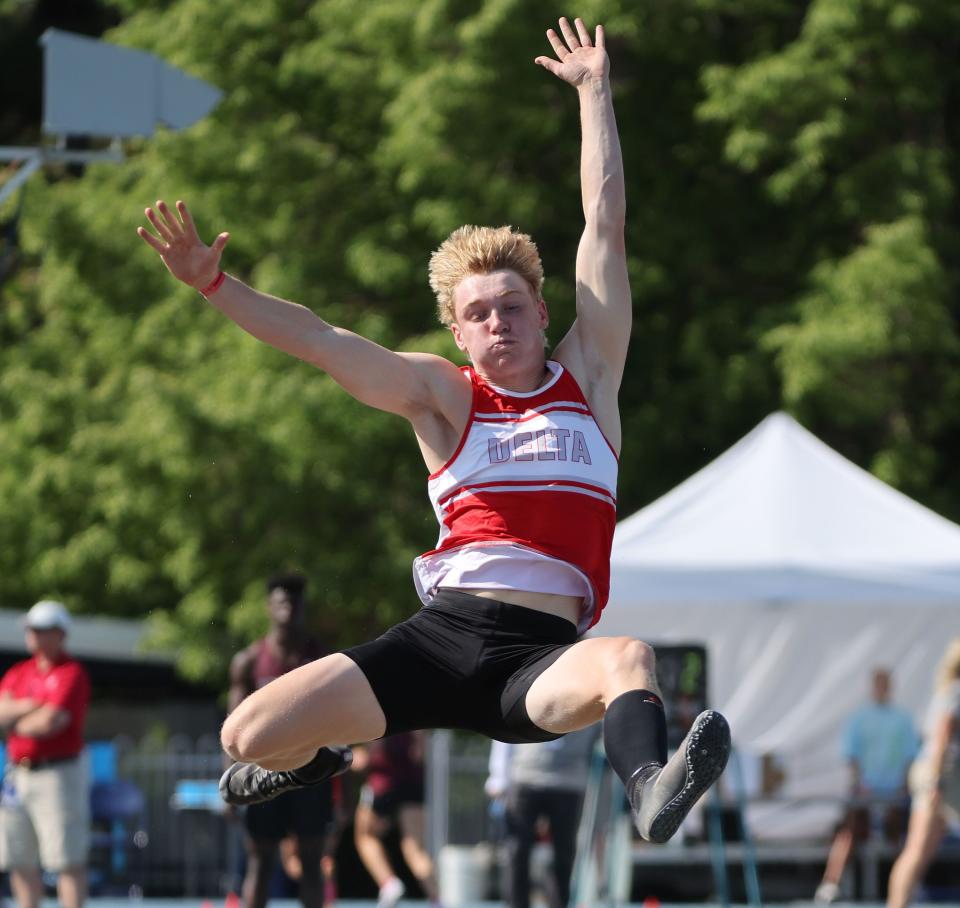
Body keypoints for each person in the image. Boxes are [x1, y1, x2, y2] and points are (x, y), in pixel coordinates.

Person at [137, 15, 731, 846]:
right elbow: (319, 341)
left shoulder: (590, 378)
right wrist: (217, 287)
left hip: (542, 658)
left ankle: (651, 791)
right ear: (458, 333)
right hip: (440, 640)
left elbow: (606, 227)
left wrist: (597, 92)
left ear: (543, 312)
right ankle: (311, 759)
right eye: (477, 313)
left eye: (512, 307)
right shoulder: (442, 396)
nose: (498, 323)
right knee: (246, 736)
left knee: (631, 660)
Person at [227, 574, 333, 908]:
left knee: (312, 863)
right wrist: (230, 785)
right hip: (265, 772)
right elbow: (233, 729)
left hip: (311, 772)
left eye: (295, 601)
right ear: (269, 607)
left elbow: (339, 722)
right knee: (260, 861)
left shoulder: (322, 658)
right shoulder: (249, 661)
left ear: (304, 608)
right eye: (281, 600)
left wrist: (342, 786)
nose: (288, 606)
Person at [0, 600, 91, 908]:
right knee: (18, 857)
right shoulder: (18, 672)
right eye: (31, 629)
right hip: (17, 773)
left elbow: (50, 723)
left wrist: (17, 714)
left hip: (58, 774)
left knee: (66, 859)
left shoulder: (71, 673)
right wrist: (34, 704)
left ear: (60, 634)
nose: (33, 635)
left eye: (41, 630)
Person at [814, 668, 920, 904]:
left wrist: (902, 787)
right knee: (850, 831)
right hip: (866, 791)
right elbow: (852, 757)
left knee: (899, 836)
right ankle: (831, 883)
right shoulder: (859, 718)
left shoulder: (903, 719)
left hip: (893, 793)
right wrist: (862, 785)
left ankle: (905, 885)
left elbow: (909, 757)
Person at [485, 726, 598, 908]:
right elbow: (505, 728)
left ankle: (559, 903)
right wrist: (498, 776)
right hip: (525, 777)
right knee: (517, 848)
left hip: (569, 782)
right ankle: (517, 904)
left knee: (564, 852)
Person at [886, 639, 960, 908]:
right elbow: (941, 738)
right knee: (916, 851)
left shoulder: (947, 692)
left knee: (918, 852)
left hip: (941, 778)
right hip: (943, 780)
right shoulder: (956, 693)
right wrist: (936, 783)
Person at [352, 732, 439, 908]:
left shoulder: (381, 711)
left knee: (365, 836)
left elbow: (368, 756)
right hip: (412, 782)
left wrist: (350, 759)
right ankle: (437, 900)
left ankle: (389, 883)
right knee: (415, 849)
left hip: (383, 783)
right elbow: (420, 752)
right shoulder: (417, 715)